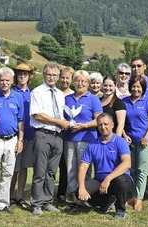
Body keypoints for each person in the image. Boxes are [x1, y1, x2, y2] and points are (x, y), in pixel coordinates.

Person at [29, 62, 70, 215]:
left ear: (58, 77)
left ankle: (48, 201)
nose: (52, 77)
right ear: (44, 75)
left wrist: (67, 123)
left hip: (58, 136)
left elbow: (61, 115)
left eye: (54, 75)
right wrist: (59, 122)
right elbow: (37, 115)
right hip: (43, 134)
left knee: (52, 172)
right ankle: (36, 203)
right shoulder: (37, 92)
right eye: (49, 74)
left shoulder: (60, 94)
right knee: (40, 171)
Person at [0, 67, 24, 217]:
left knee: (8, 173)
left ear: (12, 81)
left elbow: (21, 121)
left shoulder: (17, 97)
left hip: (12, 139)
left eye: (7, 80)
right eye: (2, 80)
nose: (4, 83)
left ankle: (3, 203)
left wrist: (20, 140)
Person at [76, 113, 133, 219]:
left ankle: (120, 209)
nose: (103, 127)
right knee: (78, 192)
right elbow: (83, 166)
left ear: (112, 125)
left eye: (105, 124)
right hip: (100, 181)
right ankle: (106, 202)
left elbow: (127, 163)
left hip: (119, 179)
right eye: (100, 125)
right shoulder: (93, 144)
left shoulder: (120, 142)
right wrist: (82, 188)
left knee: (120, 181)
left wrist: (108, 179)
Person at [63, 70, 103, 203]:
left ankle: (83, 196)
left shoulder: (93, 99)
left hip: (86, 139)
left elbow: (98, 120)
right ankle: (74, 197)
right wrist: (66, 123)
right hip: (69, 139)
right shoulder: (67, 98)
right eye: (78, 81)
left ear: (88, 83)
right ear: (74, 82)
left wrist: (84, 126)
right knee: (70, 169)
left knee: (83, 170)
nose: (80, 84)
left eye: (83, 81)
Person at [122, 76, 148, 211]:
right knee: (130, 170)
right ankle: (131, 196)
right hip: (129, 141)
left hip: (144, 142)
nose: (136, 89)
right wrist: (124, 135)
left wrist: (146, 137)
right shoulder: (124, 101)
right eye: (134, 86)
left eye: (139, 87)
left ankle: (139, 199)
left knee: (142, 170)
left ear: (143, 88)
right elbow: (121, 122)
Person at [10, 62, 35, 209]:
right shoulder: (12, 92)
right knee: (13, 167)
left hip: (30, 133)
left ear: (29, 76)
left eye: (25, 73)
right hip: (15, 134)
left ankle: (20, 196)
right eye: (19, 73)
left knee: (24, 166)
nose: (22, 76)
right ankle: (9, 195)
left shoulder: (32, 93)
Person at [56, 66, 74, 201]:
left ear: (71, 79)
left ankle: (62, 192)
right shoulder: (54, 92)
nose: (65, 80)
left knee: (65, 164)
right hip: (54, 132)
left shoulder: (73, 95)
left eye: (68, 78)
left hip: (68, 135)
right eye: (63, 77)